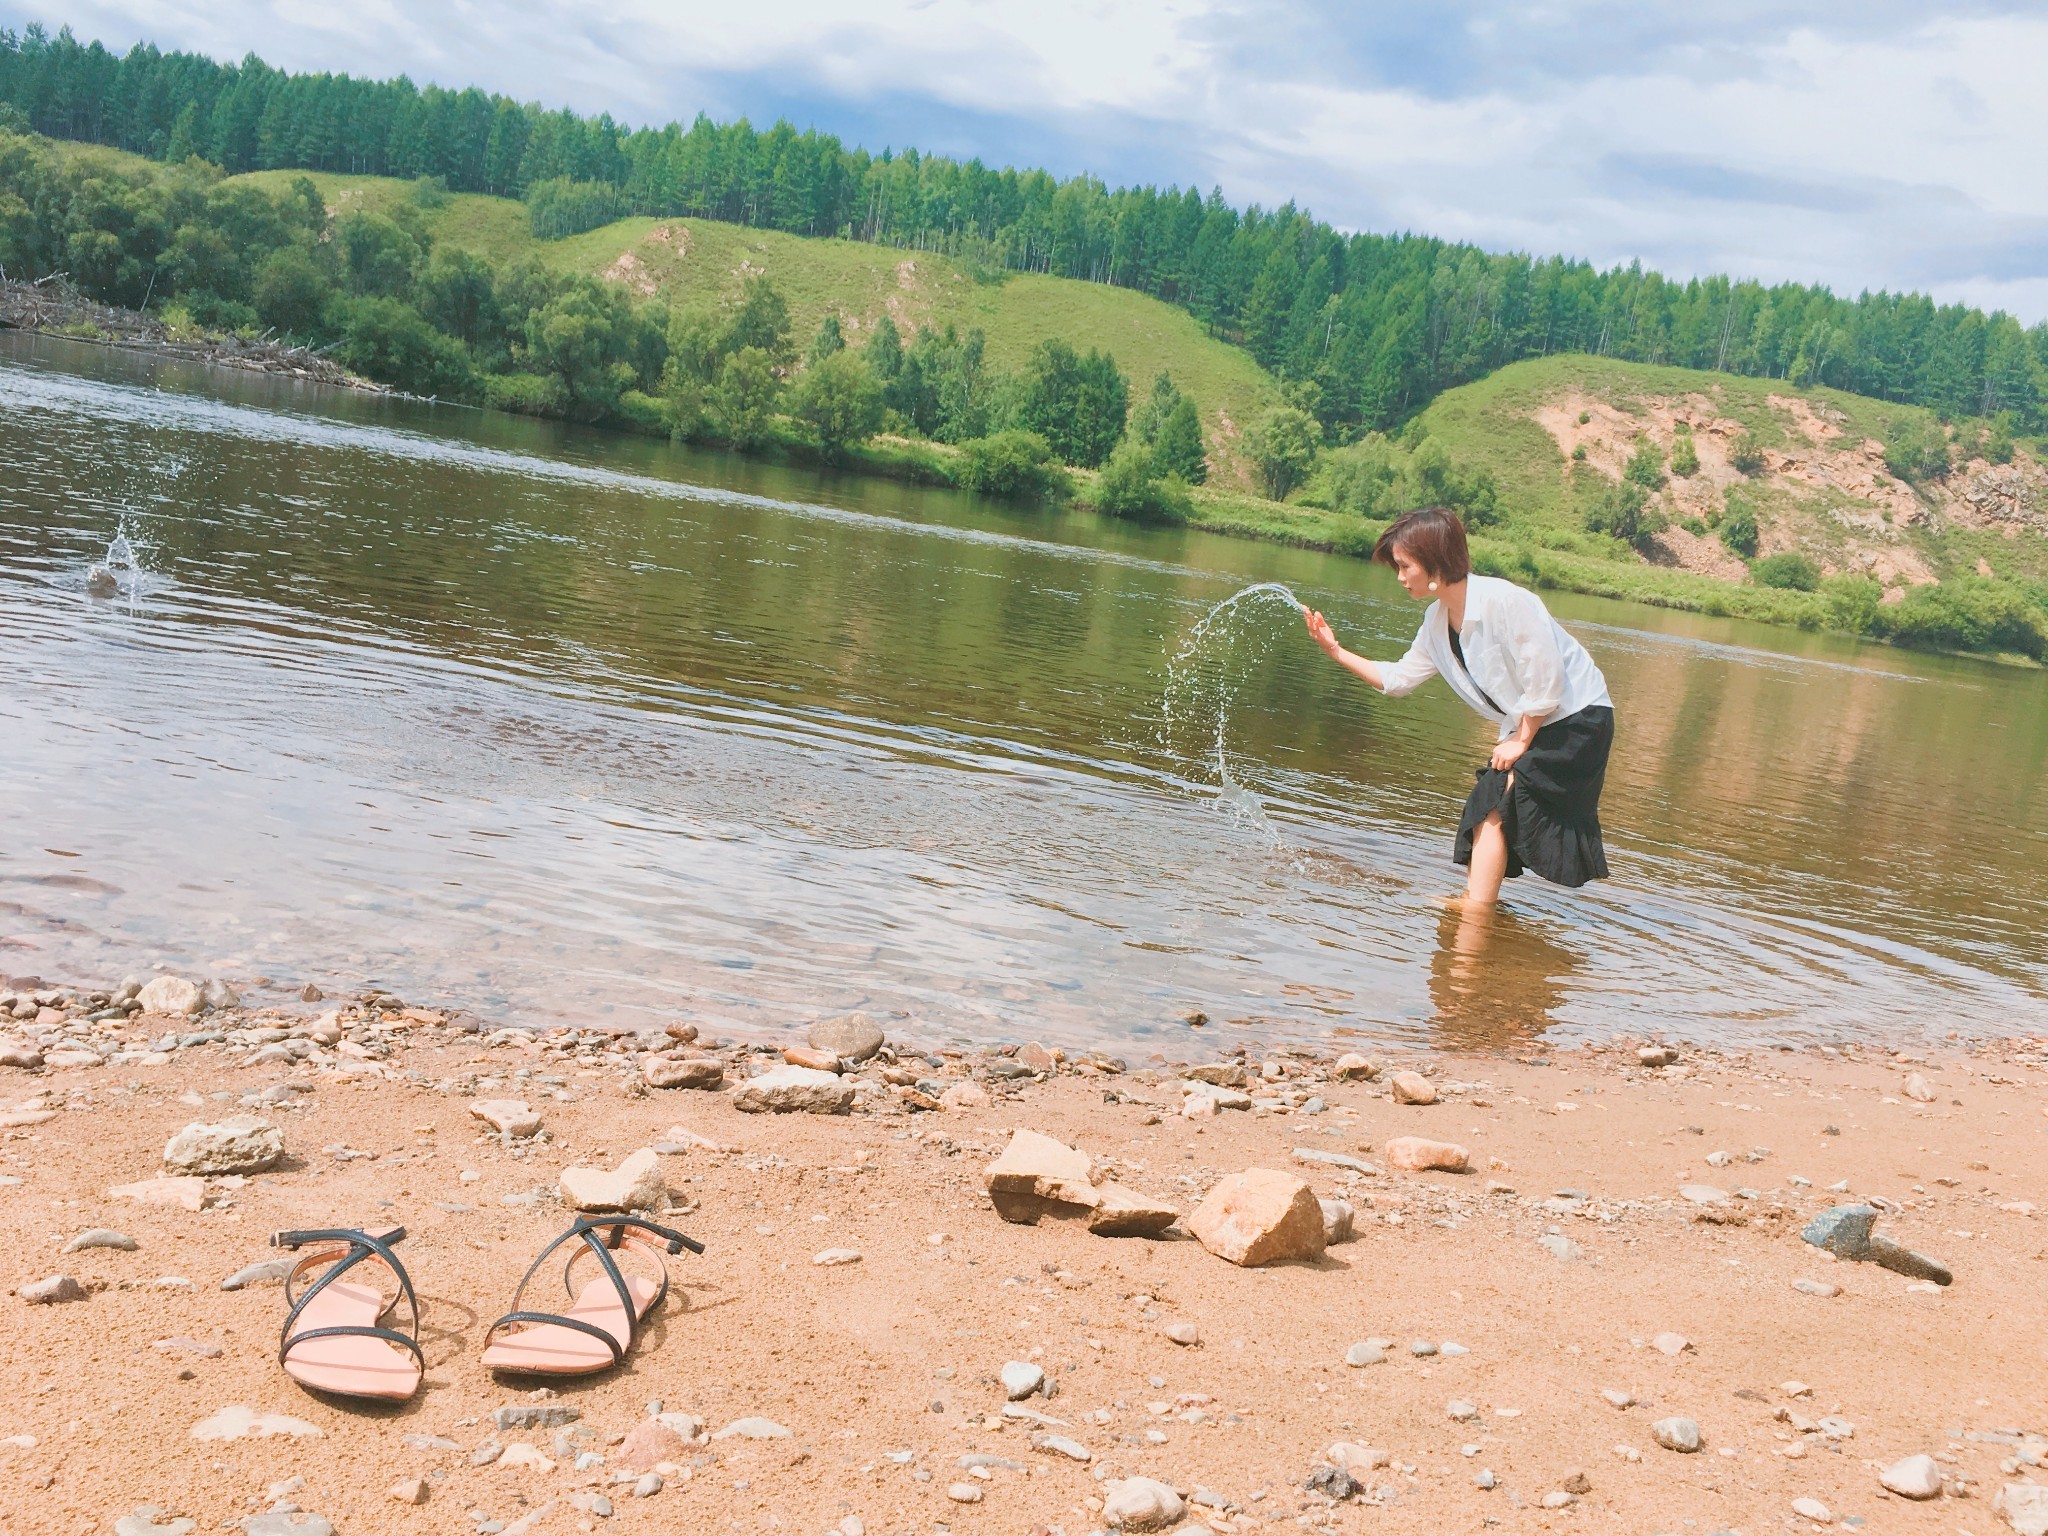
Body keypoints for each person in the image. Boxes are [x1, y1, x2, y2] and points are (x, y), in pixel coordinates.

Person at [1303, 505, 1614, 905]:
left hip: (1577, 718)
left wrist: (1522, 740)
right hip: (1535, 721)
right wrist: (1336, 651)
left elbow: (1545, 674)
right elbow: (1399, 680)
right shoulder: (1437, 621)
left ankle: (1476, 905)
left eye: (1404, 566)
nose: (1399, 578)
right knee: (1490, 800)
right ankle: (1478, 908)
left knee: (1497, 797)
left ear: (1434, 561)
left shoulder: (1506, 601)